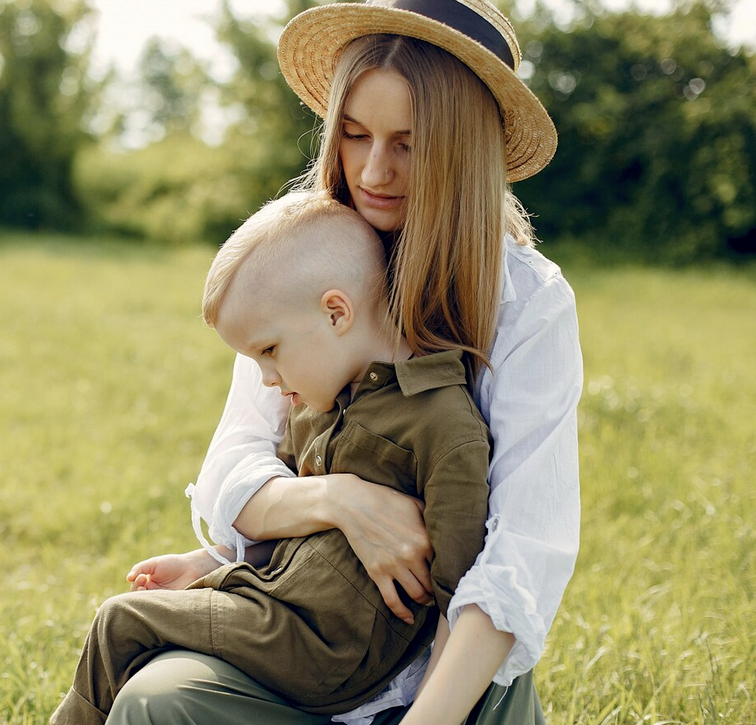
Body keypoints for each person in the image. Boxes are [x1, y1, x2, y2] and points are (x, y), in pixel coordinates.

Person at [107, 1, 583, 724]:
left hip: (450, 672)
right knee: (154, 698)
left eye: (407, 143)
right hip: (301, 647)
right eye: (354, 135)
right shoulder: (300, 261)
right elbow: (234, 468)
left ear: (460, 148)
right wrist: (343, 501)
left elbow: (521, 553)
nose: (371, 170)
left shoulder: (526, 303)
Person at [51, 191, 491, 724]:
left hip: (329, 651)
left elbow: (461, 593)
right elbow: (301, 536)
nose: (267, 378)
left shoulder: (443, 424)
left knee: (121, 623)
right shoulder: (323, 403)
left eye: (269, 350)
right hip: (279, 606)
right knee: (138, 641)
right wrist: (209, 562)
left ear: (336, 313)